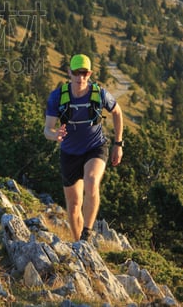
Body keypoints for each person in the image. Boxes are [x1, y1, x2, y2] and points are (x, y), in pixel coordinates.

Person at [44, 53, 124, 242]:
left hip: (95, 147)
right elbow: (47, 129)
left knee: (91, 181)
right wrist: (55, 135)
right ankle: (79, 243)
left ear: (90, 74)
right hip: (69, 153)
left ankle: (87, 232)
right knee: (73, 205)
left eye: (85, 73)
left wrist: (118, 144)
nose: (80, 78)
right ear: (69, 72)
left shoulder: (99, 94)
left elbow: (117, 112)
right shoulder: (57, 97)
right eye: (76, 73)